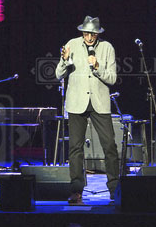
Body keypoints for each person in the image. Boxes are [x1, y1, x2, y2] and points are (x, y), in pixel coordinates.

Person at [55, 16, 119, 204]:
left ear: (98, 33)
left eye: (92, 33)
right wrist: (65, 61)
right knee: (75, 148)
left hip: (99, 102)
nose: (89, 37)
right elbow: (58, 74)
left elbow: (112, 79)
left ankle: (115, 189)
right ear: (81, 32)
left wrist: (97, 67)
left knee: (109, 146)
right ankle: (76, 191)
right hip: (77, 102)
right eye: (86, 33)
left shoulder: (107, 48)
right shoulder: (71, 45)